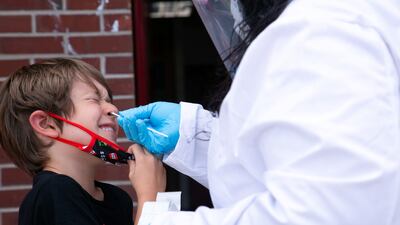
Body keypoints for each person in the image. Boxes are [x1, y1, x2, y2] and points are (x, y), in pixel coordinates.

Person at [118, 0, 400, 224]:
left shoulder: (319, 35)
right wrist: (195, 136)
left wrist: (158, 217)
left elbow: (330, 209)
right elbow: (300, 152)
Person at [0, 58, 158, 225]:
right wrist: (150, 198)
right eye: (94, 99)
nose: (113, 109)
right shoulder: (55, 192)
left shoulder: (117, 199)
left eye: (109, 101)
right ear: (46, 124)